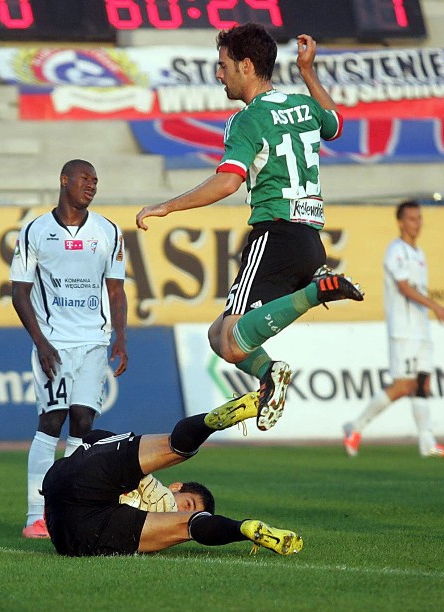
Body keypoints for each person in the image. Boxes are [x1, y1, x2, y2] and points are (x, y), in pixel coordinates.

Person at [136, 24, 363, 435]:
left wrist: (166, 206)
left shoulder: (246, 120)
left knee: (232, 342)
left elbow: (228, 181)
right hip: (308, 239)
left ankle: (317, 291)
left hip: (274, 233)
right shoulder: (301, 106)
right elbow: (334, 123)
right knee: (216, 336)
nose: (219, 74)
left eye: (222, 66)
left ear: (245, 65)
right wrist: (308, 72)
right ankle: (271, 371)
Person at [10, 159, 128, 539]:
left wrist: (121, 339)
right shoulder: (35, 231)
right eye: (85, 178)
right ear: (64, 181)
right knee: (51, 422)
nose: (92, 185)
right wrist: (41, 342)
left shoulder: (108, 231)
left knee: (83, 423)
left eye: (96, 179)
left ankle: (67, 509)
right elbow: (20, 291)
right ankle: (35, 515)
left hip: (94, 344)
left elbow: (116, 289)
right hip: (54, 344)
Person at [42, 391, 303, 557]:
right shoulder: (147, 481)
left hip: (77, 534)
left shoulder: (157, 529)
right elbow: (94, 437)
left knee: (189, 525)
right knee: (172, 449)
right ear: (176, 486)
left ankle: (244, 528)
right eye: (187, 504)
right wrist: (133, 476)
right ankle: (211, 422)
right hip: (78, 483)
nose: (182, 510)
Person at [342, 201, 444, 458]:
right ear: (401, 222)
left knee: (422, 383)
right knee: (404, 385)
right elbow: (404, 287)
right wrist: (437, 307)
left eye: (419, 218)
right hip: (403, 329)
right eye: (412, 219)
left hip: (421, 328)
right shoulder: (396, 251)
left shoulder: (419, 252)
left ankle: (427, 443)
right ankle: (355, 426)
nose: (417, 223)